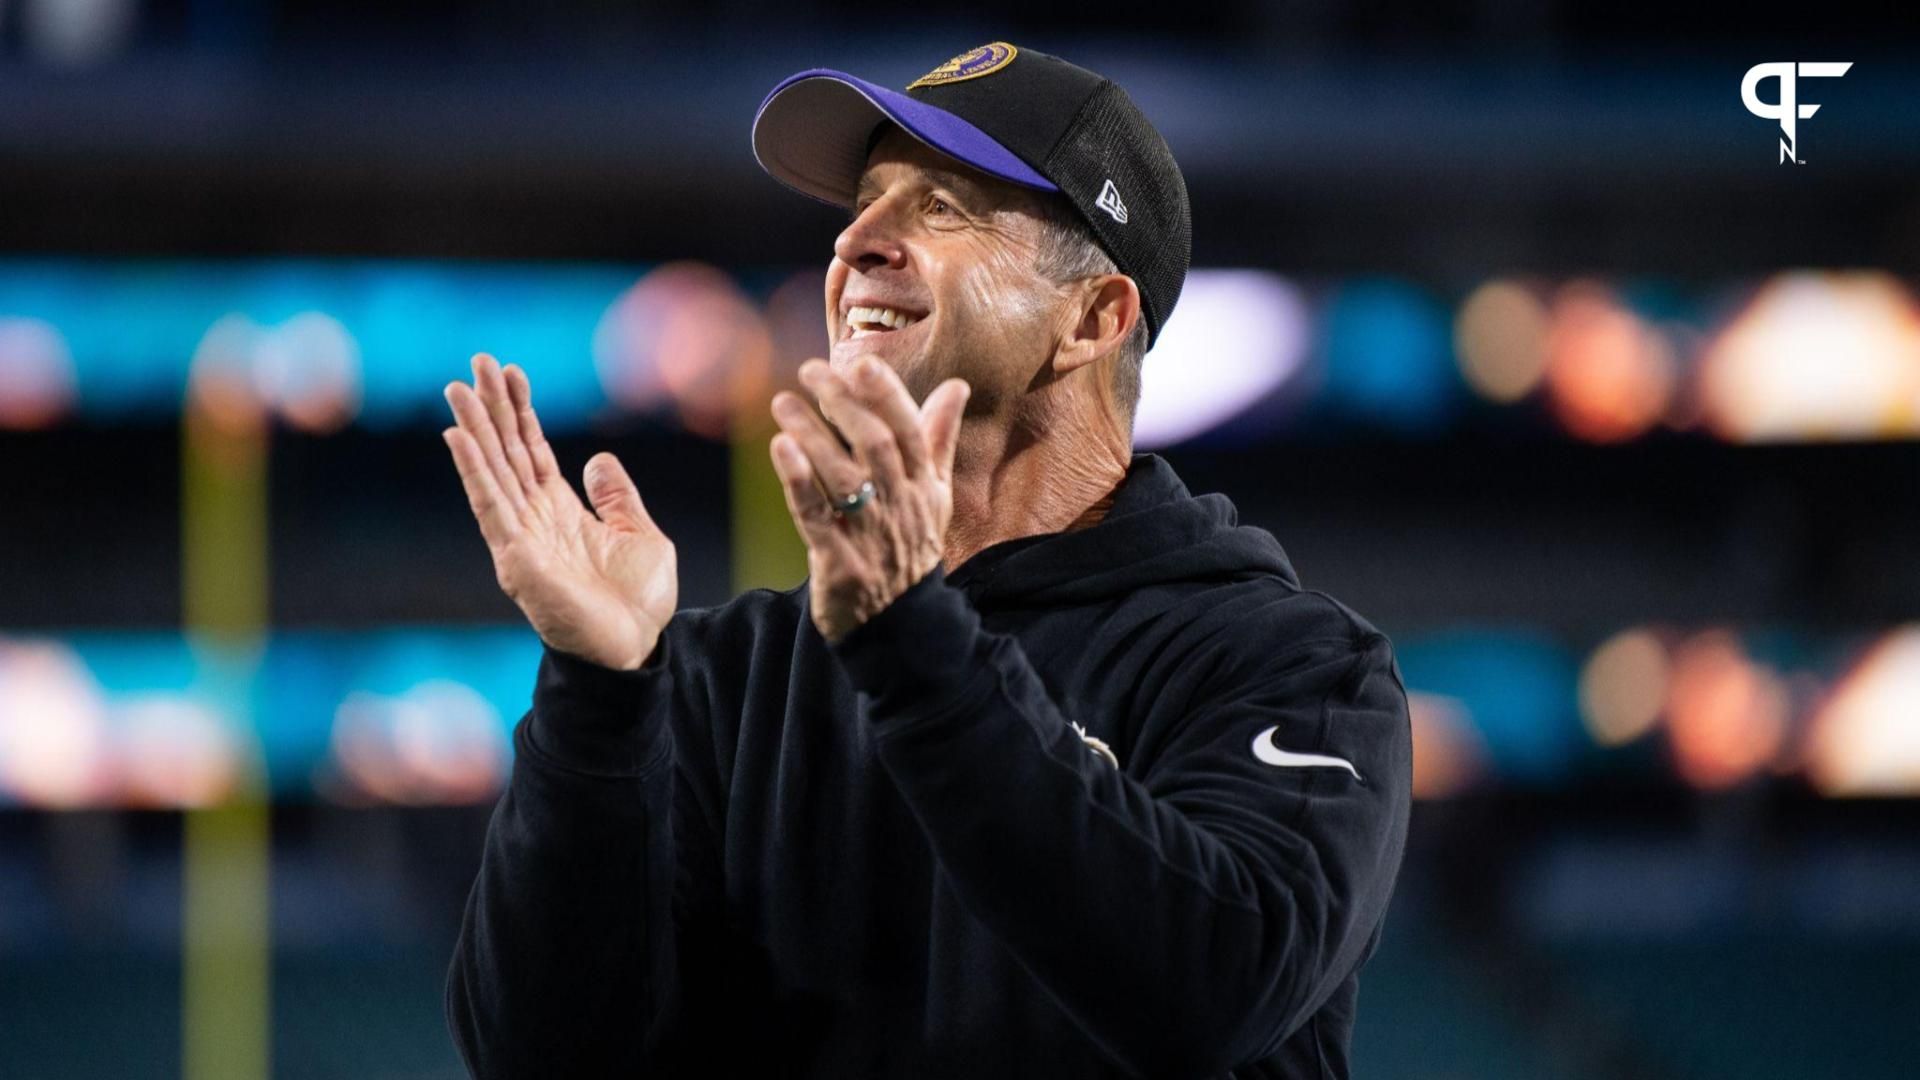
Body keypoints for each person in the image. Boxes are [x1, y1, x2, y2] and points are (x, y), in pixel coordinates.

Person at [441, 42, 1411, 1079]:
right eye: (862, 205)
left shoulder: (1293, 668)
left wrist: (916, 643)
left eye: (942, 208)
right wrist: (598, 698)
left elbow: (1215, 988)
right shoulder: (727, 678)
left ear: (1094, 318)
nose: (856, 240)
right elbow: (543, 1057)